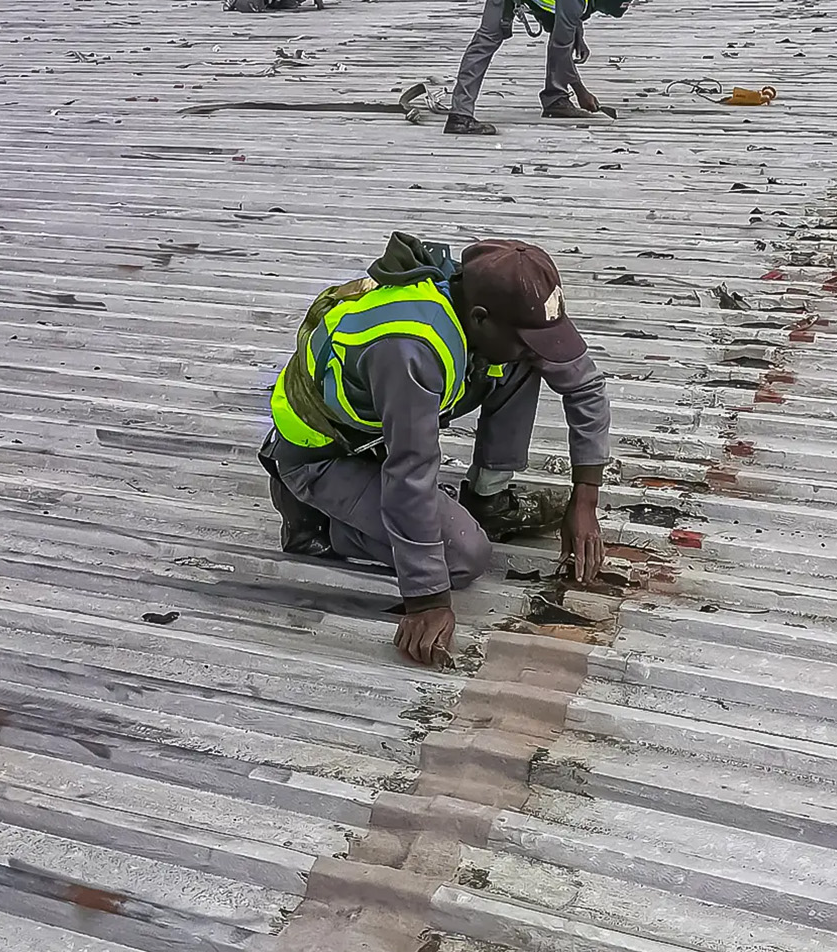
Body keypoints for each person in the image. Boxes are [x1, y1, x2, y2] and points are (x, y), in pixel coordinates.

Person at [260, 233, 612, 666]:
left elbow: (585, 386)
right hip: (322, 454)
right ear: (480, 319)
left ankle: (490, 498)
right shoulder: (410, 348)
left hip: (380, 431)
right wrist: (427, 600)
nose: (538, 351)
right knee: (464, 558)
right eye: (526, 337)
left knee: (519, 362)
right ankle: (314, 522)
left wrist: (586, 499)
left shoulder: (496, 304)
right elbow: (409, 477)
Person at [445, 0, 638, 136]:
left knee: (566, 34)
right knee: (487, 39)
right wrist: (582, 92)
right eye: (602, 9)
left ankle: (555, 100)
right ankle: (460, 116)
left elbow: (577, 3)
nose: (599, 12)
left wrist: (577, 35)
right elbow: (560, 48)